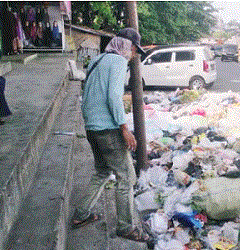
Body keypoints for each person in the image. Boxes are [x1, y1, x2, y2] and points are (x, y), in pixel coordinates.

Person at [70, 28, 149, 244]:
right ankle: (125, 227)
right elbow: (114, 97)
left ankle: (81, 214)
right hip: (108, 129)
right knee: (127, 177)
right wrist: (124, 128)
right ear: (127, 46)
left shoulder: (99, 59)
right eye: (134, 49)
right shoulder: (117, 62)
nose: (133, 54)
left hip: (92, 128)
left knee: (102, 171)